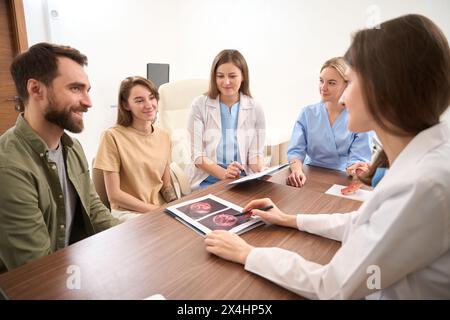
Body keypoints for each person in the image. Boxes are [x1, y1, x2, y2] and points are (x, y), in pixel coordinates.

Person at [204, 14, 450, 299]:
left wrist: (249, 254)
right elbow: (363, 224)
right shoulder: (425, 163)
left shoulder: (424, 185)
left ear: (385, 89)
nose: (342, 98)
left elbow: (332, 287)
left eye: (351, 82)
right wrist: (290, 219)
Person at [0, 42, 120, 273]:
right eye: (76, 89)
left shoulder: (72, 147)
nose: (88, 102)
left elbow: (93, 208)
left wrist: (133, 238)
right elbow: (36, 272)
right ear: (36, 89)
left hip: (69, 270)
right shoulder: (9, 168)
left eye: (88, 90)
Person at [94, 76, 177, 222]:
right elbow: (114, 195)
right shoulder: (112, 136)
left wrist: (176, 205)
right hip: (128, 212)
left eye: (152, 98)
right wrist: (156, 211)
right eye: (139, 100)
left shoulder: (164, 136)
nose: (149, 104)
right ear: (126, 105)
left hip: (159, 209)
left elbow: (166, 185)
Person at [287, 57, 372, 188]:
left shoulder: (358, 118)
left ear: (347, 84)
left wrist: (356, 170)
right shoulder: (307, 113)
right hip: (308, 175)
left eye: (331, 83)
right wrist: (297, 170)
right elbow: (295, 151)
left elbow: (358, 160)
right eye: (321, 81)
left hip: (343, 177)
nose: (323, 87)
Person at [187, 49, 266, 190]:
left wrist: (262, 170)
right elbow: (197, 156)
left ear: (243, 77)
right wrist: (225, 174)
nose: (226, 82)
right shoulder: (199, 105)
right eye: (220, 76)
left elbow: (254, 156)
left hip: (242, 177)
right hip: (208, 178)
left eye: (232, 76)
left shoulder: (255, 108)